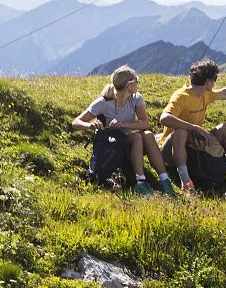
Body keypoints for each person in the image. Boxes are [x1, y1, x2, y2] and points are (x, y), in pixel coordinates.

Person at [159, 58, 226, 192]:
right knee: (181, 131)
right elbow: (164, 118)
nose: (215, 82)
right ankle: (186, 183)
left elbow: (225, 92)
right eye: (215, 78)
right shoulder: (181, 97)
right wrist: (194, 127)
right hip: (171, 150)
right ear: (207, 82)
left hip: (194, 144)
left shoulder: (206, 94)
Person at [74, 65, 177, 196]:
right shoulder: (104, 102)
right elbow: (76, 122)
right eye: (136, 81)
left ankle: (164, 180)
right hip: (113, 147)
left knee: (148, 134)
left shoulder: (136, 99)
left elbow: (145, 123)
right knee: (137, 137)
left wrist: (124, 124)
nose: (138, 83)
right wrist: (89, 125)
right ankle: (141, 182)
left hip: (131, 145)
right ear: (129, 85)